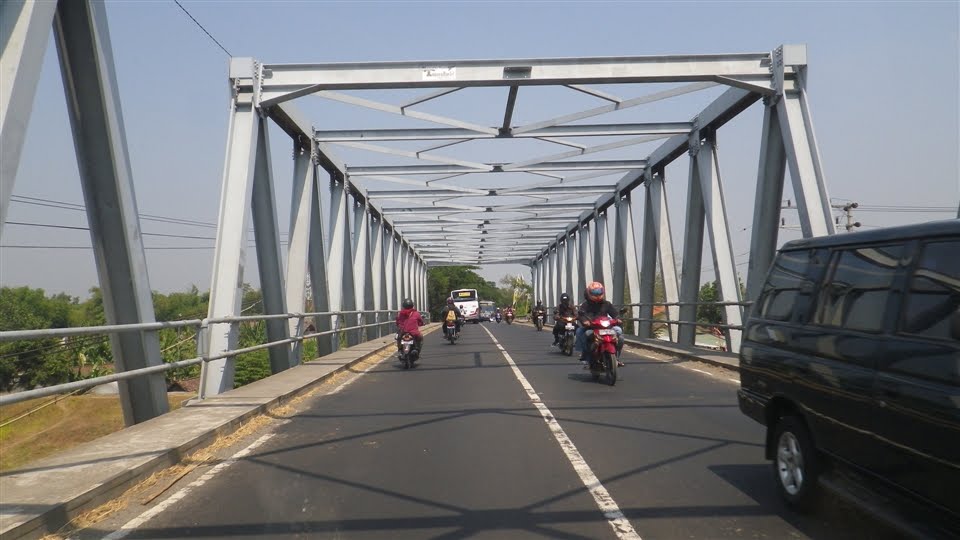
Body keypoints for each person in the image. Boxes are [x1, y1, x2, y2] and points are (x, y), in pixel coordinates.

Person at [575, 281, 624, 367]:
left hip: (606, 327)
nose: (597, 294)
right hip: (592, 327)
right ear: (589, 293)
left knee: (619, 334)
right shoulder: (585, 305)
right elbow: (581, 314)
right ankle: (585, 354)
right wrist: (584, 321)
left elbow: (614, 314)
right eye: (594, 292)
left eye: (599, 292)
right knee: (584, 333)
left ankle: (616, 358)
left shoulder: (607, 304)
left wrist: (618, 319)